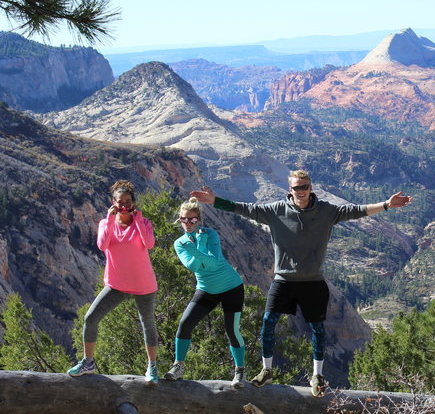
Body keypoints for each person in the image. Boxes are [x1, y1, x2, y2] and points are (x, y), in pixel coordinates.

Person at [191, 170, 412, 397]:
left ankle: (317, 376)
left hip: (313, 282)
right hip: (284, 280)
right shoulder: (276, 211)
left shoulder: (326, 211)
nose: (301, 191)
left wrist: (386, 204)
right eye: (297, 187)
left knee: (317, 329)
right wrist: (215, 201)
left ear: (310, 187)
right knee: (268, 323)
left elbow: (356, 211)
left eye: (304, 187)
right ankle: (266, 371)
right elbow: (245, 209)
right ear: (290, 189)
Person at [68, 180, 160, 383]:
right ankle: (88, 362)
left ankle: (152, 367)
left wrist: (138, 219)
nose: (124, 205)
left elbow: (149, 243)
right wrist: (110, 219)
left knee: (148, 323)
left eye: (128, 201)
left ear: (134, 202)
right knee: (91, 318)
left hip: (143, 283)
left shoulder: (143, 224)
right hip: (117, 284)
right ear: (113, 202)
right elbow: (102, 245)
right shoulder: (105, 223)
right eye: (120, 201)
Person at [165, 197, 247, 388]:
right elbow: (192, 265)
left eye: (193, 220)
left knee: (232, 330)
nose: (188, 223)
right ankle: (178, 365)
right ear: (179, 219)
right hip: (206, 288)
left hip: (231, 287)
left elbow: (214, 262)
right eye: (184, 219)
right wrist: (199, 252)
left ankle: (240, 370)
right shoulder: (179, 243)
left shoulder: (210, 234)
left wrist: (195, 249)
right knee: (185, 324)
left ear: (199, 219)